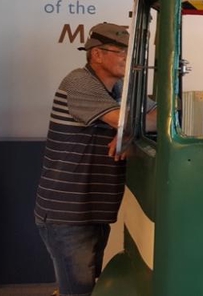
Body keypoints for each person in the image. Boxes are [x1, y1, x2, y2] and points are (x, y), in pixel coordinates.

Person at [34, 22, 157, 296]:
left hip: (92, 210)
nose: (127, 57)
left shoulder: (121, 88)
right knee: (78, 290)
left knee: (90, 286)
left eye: (129, 52)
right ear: (96, 54)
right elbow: (122, 120)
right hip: (68, 213)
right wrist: (127, 129)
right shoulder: (79, 82)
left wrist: (127, 135)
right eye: (119, 51)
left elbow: (160, 117)